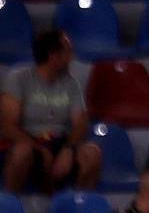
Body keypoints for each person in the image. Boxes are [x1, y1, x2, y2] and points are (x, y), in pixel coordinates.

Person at [1, 30, 101, 193]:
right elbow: (7, 126)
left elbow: (81, 123)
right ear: (54, 56)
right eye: (68, 50)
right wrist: (39, 149)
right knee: (21, 152)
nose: (72, 56)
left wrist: (68, 149)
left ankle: (77, 207)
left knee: (92, 154)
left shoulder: (71, 84)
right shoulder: (18, 79)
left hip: (60, 142)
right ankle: (11, 208)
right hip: (29, 141)